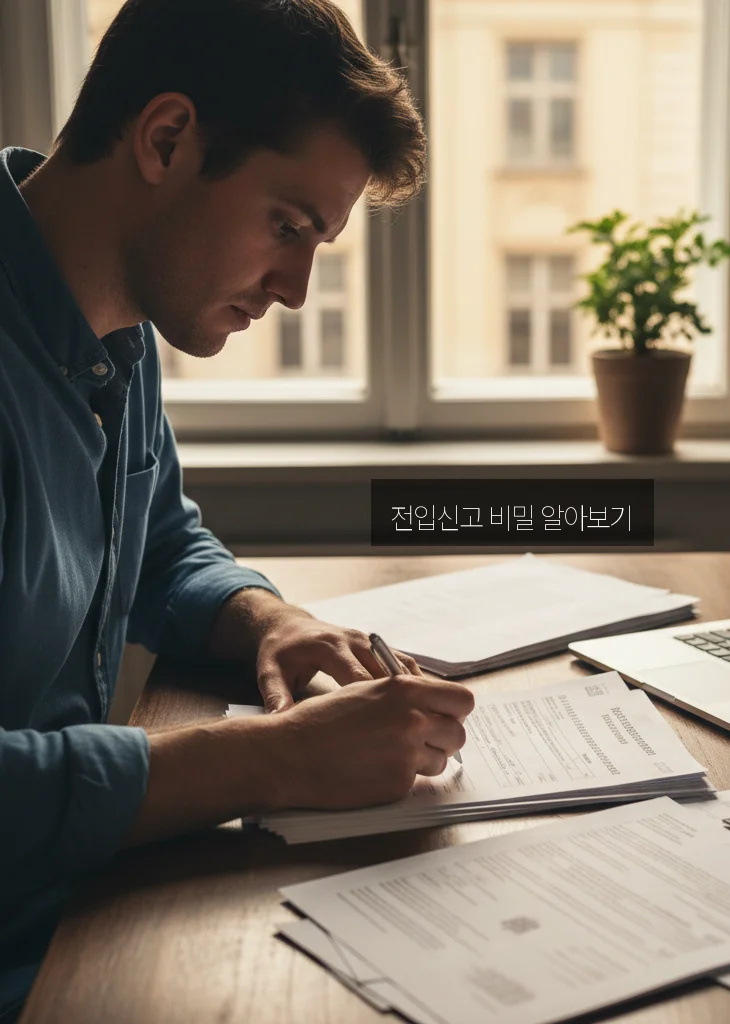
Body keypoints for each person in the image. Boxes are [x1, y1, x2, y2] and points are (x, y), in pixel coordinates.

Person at [0, 0, 475, 1015]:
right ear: (167, 140)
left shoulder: (112, 325)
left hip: (82, 908)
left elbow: (161, 543)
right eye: (288, 226)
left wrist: (271, 619)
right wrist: (269, 761)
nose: (298, 290)